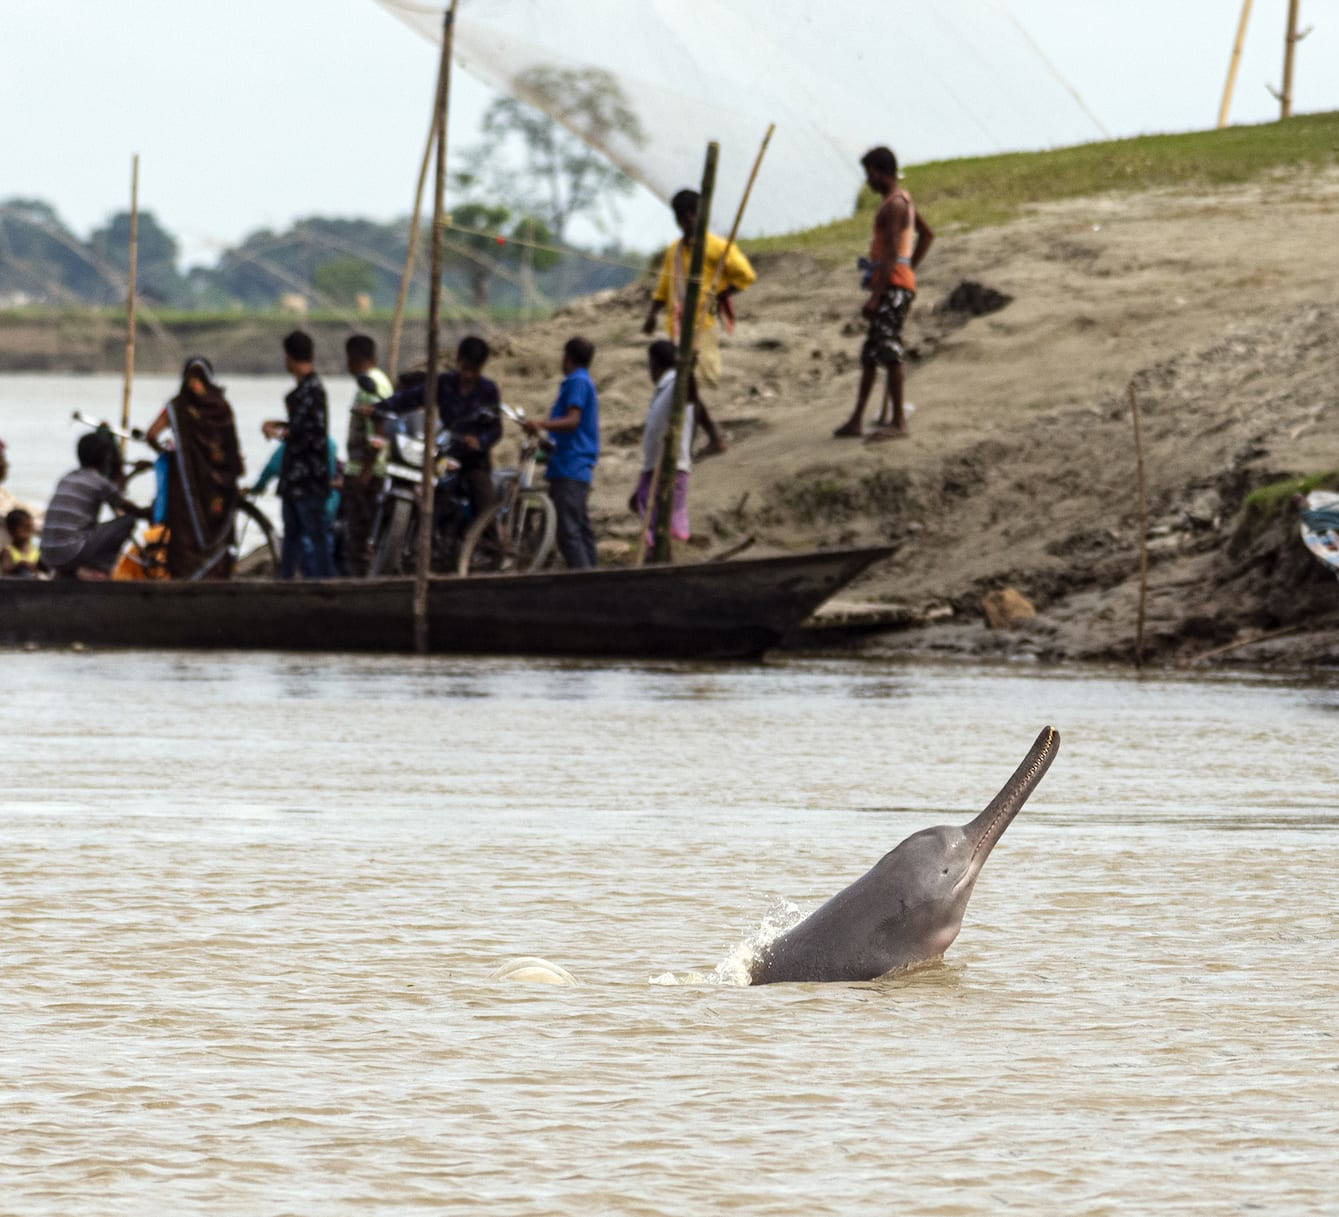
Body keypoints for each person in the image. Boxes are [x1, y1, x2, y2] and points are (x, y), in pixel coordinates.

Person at [643, 188, 756, 457]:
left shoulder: (716, 247)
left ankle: (709, 437)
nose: (687, 220)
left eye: (692, 214)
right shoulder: (674, 251)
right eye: (682, 216)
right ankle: (700, 438)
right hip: (676, 327)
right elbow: (663, 287)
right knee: (683, 385)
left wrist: (720, 294)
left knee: (686, 384)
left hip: (700, 326)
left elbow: (745, 275)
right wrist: (651, 313)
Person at [835, 146, 934, 441]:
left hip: (892, 287)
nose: (868, 180)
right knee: (871, 353)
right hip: (896, 282)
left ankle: (899, 422)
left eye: (869, 174)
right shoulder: (902, 202)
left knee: (889, 350)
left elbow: (891, 250)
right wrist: (909, 269)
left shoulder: (894, 206)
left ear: (880, 172)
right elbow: (926, 235)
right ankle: (856, 419)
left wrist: (878, 294)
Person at [373, 335, 503, 524]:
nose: (468, 375)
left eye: (473, 370)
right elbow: (410, 398)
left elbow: (496, 429)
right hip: (443, 455)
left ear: (481, 367)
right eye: (465, 368)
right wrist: (379, 407)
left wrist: (479, 441)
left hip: (474, 462)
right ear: (458, 361)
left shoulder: (488, 390)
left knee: (485, 510)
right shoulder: (444, 382)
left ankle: (492, 547)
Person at [143, 355, 244, 578]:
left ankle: (185, 577)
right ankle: (215, 573)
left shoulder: (177, 406)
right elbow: (231, 448)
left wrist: (165, 451)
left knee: (184, 531)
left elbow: (151, 434)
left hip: (185, 483)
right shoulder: (221, 407)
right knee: (218, 527)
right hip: (219, 485)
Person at [523, 337, 600, 569]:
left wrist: (540, 424)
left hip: (571, 465)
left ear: (567, 357)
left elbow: (573, 420)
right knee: (579, 527)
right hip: (568, 463)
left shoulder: (577, 381)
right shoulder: (582, 381)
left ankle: (584, 580)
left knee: (568, 531)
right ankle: (594, 576)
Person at [263, 330, 334, 579]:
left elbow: (309, 435)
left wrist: (281, 433)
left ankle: (326, 585)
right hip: (296, 480)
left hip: (308, 481)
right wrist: (283, 426)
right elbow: (304, 428)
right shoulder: (308, 390)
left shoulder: (312, 390)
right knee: (292, 535)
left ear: (288, 358)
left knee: (316, 535)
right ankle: (286, 583)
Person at [40, 430, 152, 579]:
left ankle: (71, 571)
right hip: (69, 553)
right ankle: (99, 570)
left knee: (85, 531)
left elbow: (115, 491)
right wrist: (151, 511)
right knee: (127, 521)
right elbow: (130, 509)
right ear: (105, 458)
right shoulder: (99, 481)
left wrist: (131, 473)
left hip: (48, 555)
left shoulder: (68, 477)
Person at [630, 340, 693, 552]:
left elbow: (691, 392)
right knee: (654, 524)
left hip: (668, 468)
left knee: (664, 528)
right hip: (654, 468)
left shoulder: (677, 383)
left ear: (654, 364)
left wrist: (689, 367)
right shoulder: (664, 387)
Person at [341, 334, 394, 577]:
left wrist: (365, 470)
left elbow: (378, 427)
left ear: (353, 359)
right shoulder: (382, 381)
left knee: (359, 534)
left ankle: (360, 583)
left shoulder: (369, 385)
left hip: (366, 470)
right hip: (372, 468)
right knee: (367, 530)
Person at [1, 508, 46, 577]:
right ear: (11, 530)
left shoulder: (35, 549)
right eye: (25, 528)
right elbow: (5, 570)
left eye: (30, 528)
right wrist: (20, 565)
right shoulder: (8, 551)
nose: (28, 533)